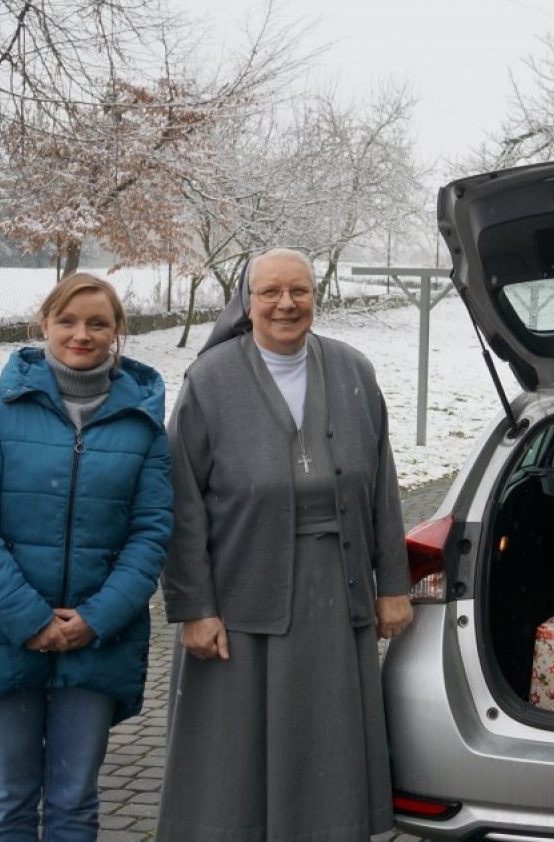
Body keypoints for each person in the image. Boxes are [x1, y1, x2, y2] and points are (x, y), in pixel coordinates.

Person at [156, 247, 413, 842]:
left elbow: (382, 487)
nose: (286, 304)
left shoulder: (353, 370)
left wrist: (392, 586)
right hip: (241, 589)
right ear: (247, 302)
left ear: (315, 297)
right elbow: (182, 502)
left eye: (299, 291)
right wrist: (194, 608)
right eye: (270, 292)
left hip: (334, 588)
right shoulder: (211, 379)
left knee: (325, 735)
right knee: (233, 751)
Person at [0, 273, 173, 841]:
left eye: (98, 322)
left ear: (118, 331)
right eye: (67, 320)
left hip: (97, 642)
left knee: (74, 802)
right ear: (44, 323)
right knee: (8, 802)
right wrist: (32, 620)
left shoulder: (143, 421)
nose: (81, 334)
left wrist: (94, 620)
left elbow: (151, 533)